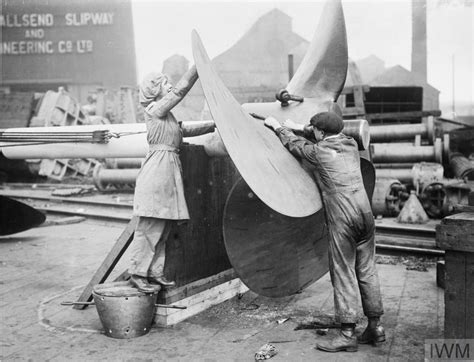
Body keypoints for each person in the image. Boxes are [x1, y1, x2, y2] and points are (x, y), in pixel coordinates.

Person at [264, 111, 384, 352]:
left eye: (315, 129)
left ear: (319, 133)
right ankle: (376, 328)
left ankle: (347, 334)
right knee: (367, 271)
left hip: (344, 218)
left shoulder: (318, 153)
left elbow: (295, 145)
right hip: (366, 215)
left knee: (343, 272)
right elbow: (322, 134)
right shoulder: (350, 144)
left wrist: (278, 127)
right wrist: (301, 126)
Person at [128, 67, 214, 293]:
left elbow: (185, 130)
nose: (169, 86)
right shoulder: (155, 109)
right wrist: (197, 69)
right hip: (158, 173)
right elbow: (179, 92)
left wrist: (215, 125)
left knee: (163, 227)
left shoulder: (167, 117)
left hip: (167, 172)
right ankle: (137, 273)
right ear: (155, 91)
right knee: (150, 227)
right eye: (164, 83)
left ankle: (155, 273)